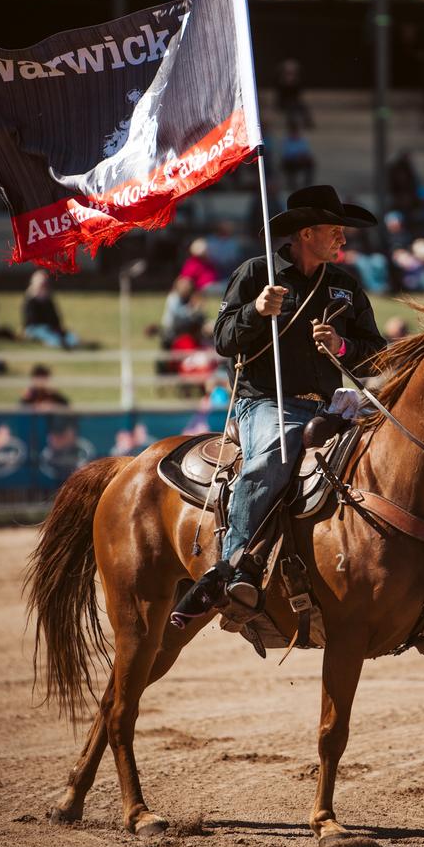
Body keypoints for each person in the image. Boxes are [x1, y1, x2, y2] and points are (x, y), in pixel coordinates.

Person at [171, 184, 385, 626]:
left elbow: (376, 353)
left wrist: (342, 346)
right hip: (266, 402)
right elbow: (224, 340)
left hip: (331, 405)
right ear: (306, 233)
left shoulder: (345, 285)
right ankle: (230, 568)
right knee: (272, 458)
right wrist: (255, 310)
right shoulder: (256, 274)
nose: (342, 239)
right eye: (334, 230)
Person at [22, 270, 79, 349]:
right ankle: (57, 343)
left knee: (69, 335)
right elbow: (31, 321)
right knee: (46, 333)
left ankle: (69, 343)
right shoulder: (30, 300)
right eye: (41, 284)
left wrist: (57, 327)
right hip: (34, 329)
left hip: (50, 327)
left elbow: (55, 318)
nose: (43, 286)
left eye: (44, 284)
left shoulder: (49, 300)